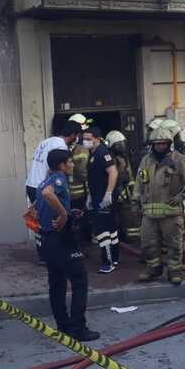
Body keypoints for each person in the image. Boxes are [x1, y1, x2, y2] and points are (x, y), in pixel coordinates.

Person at [35, 149, 100, 341]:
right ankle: (78, 329)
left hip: (46, 239)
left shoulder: (44, 180)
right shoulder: (58, 180)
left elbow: (40, 201)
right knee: (80, 280)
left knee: (57, 282)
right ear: (62, 165)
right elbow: (48, 194)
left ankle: (62, 326)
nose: (72, 165)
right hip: (61, 239)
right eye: (70, 162)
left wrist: (67, 213)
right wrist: (63, 214)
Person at [134, 127, 185, 285]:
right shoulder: (146, 160)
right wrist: (134, 200)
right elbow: (139, 181)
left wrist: (182, 194)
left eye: (162, 144)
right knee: (148, 244)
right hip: (149, 214)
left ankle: (174, 271)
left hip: (170, 214)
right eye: (156, 144)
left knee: (174, 244)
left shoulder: (178, 159)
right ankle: (153, 269)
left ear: (168, 144)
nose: (159, 146)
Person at [25, 120, 81, 264]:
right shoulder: (61, 146)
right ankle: (54, 255)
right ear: (74, 135)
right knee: (54, 223)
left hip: (33, 184)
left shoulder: (47, 141)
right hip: (46, 186)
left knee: (41, 221)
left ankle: (44, 256)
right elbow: (52, 168)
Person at [83, 127, 119, 273]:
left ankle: (108, 262)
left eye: (88, 139)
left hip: (103, 198)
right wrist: (91, 196)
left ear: (97, 139)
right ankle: (114, 258)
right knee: (110, 229)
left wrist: (108, 193)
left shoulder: (102, 153)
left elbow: (113, 172)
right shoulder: (93, 153)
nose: (85, 141)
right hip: (97, 196)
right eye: (84, 139)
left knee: (102, 230)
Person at [106, 130, 141, 244]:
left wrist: (132, 189)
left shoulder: (125, 157)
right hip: (117, 191)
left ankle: (131, 239)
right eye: (119, 144)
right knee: (119, 216)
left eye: (122, 143)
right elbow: (115, 176)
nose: (122, 147)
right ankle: (121, 239)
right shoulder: (111, 159)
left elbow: (129, 176)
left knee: (129, 216)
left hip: (126, 191)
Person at [67, 114, 92, 243]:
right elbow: (83, 172)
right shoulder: (81, 149)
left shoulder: (68, 146)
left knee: (72, 220)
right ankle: (80, 246)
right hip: (80, 192)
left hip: (68, 192)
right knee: (81, 220)